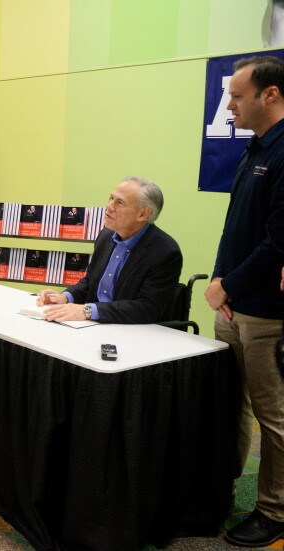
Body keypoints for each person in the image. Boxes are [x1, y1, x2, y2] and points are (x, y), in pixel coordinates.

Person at [203, 56, 284, 548]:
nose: (228, 104)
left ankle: (274, 509)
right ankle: (222, 490)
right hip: (232, 303)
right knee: (229, 405)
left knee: (272, 415)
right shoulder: (253, 147)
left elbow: (279, 241)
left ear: (269, 95)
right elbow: (234, 227)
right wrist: (218, 276)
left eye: (236, 95)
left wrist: (228, 286)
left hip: (265, 313)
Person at [36, 177, 182, 324]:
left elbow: (147, 308)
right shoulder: (106, 235)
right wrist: (66, 297)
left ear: (143, 214)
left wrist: (87, 311)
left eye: (119, 202)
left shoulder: (165, 252)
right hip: (94, 325)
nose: (109, 206)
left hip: (132, 332)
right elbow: (90, 281)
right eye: (111, 198)